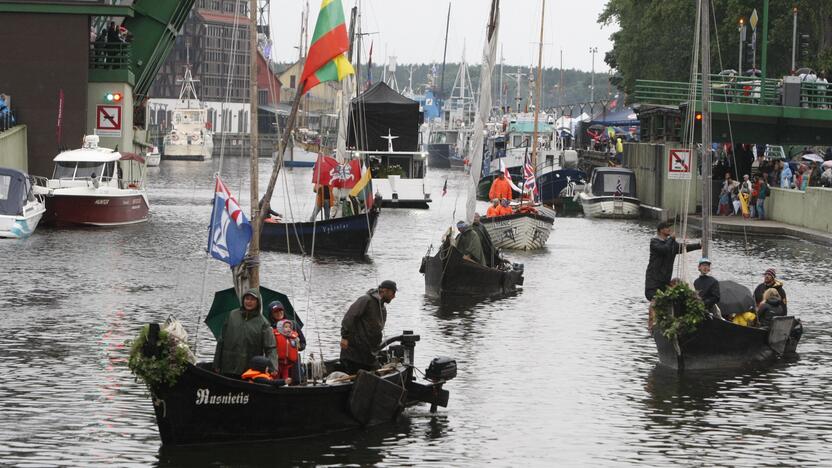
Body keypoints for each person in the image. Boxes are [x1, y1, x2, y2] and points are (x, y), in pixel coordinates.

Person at [213, 288, 278, 377]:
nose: (249, 302)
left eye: (252, 299)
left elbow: (270, 348)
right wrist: (216, 363)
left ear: (257, 302)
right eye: (247, 299)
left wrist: (273, 367)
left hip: (249, 369)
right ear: (243, 300)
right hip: (228, 366)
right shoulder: (232, 315)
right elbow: (221, 340)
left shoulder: (264, 323)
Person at [340, 281, 397, 374]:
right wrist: (344, 337)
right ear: (385, 290)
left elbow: (377, 330)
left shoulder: (382, 309)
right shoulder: (366, 300)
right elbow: (349, 317)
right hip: (354, 353)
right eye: (393, 293)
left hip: (369, 354)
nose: (394, 296)